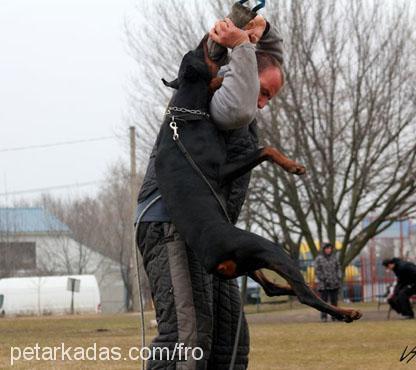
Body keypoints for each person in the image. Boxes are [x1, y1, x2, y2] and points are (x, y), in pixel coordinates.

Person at [136, 16, 284, 370]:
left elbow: (269, 63)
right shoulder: (213, 100)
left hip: (210, 234)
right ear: (239, 75)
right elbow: (235, 95)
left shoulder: (243, 84)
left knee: (229, 342)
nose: (262, 103)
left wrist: (264, 32)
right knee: (186, 339)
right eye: (263, 92)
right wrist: (242, 44)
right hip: (170, 223)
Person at [313, 243, 342, 322]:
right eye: (327, 248)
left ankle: (334, 316)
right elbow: (316, 270)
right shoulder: (319, 259)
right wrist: (323, 278)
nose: (328, 250)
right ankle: (324, 317)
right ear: (323, 249)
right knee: (324, 302)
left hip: (334, 283)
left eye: (330, 248)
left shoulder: (334, 258)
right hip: (324, 284)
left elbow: (338, 268)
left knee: (334, 302)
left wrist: (338, 276)